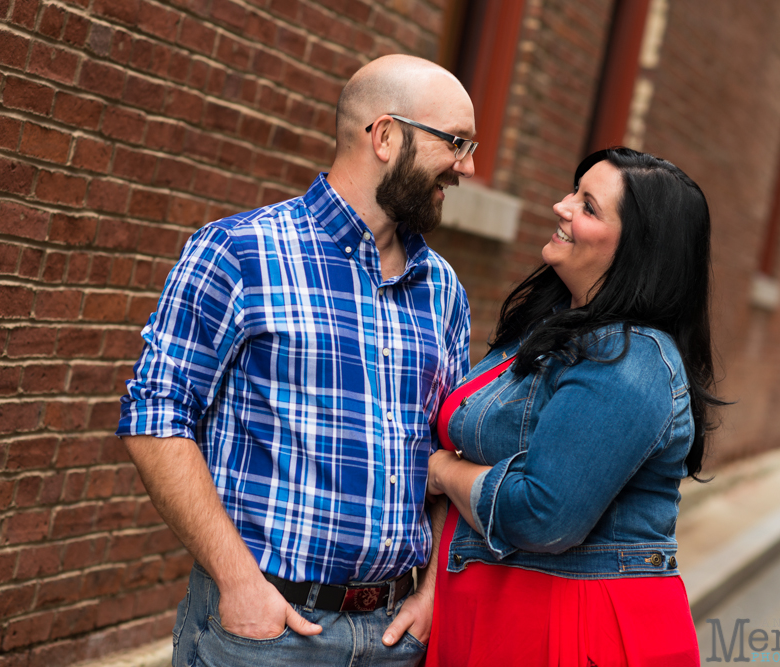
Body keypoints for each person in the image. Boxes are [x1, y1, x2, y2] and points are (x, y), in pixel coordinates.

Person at [117, 54, 477, 666]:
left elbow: (450, 449)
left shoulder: (442, 288)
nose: (469, 167)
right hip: (265, 633)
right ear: (386, 136)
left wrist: (433, 593)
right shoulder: (239, 252)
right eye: (457, 143)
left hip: (396, 637)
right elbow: (156, 418)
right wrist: (237, 583)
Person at [425, 147, 721, 666]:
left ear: (636, 250)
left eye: (588, 207)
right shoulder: (557, 323)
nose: (561, 207)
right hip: (498, 610)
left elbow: (543, 514)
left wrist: (443, 471)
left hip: (571, 628)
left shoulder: (630, 362)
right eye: (573, 191)